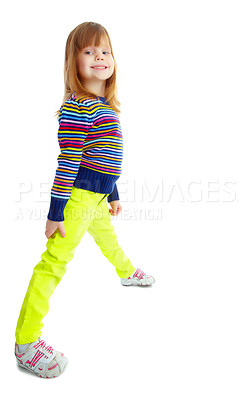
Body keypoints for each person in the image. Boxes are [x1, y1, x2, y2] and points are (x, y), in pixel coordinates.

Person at [14, 21, 155, 379]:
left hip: (97, 197)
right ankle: (26, 342)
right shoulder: (77, 108)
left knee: (109, 239)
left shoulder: (104, 106)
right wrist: (56, 212)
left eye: (105, 50)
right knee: (53, 264)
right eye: (89, 51)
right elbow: (69, 163)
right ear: (73, 61)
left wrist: (113, 193)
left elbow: (106, 156)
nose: (99, 57)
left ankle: (126, 272)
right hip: (77, 201)